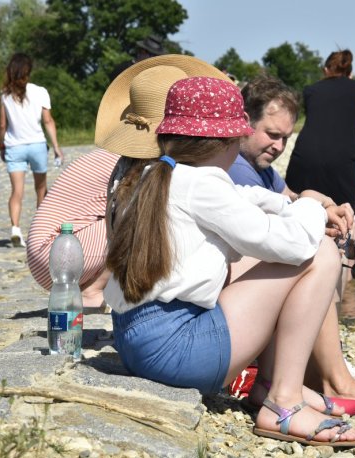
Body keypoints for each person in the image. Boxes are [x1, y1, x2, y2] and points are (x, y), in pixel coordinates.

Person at [102, 73, 355, 446]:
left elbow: (242, 197)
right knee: (317, 254)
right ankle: (283, 402)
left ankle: (269, 386)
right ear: (226, 142)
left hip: (136, 342)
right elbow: (290, 245)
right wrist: (311, 207)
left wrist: (297, 201)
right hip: (178, 352)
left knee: (258, 260)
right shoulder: (200, 185)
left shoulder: (151, 175)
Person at [26, 55, 220, 309]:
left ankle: (96, 285)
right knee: (147, 211)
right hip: (57, 252)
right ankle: (94, 291)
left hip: (54, 252)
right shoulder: (136, 161)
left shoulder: (123, 152)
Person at [228, 74, 355, 385]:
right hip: (233, 304)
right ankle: (331, 375)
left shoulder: (260, 167)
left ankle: (328, 365)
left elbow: (291, 199)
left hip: (244, 296)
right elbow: (279, 228)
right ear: (245, 122)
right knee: (312, 255)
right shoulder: (239, 169)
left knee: (318, 243)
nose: (279, 146)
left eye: (285, 138)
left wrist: (327, 209)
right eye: (271, 134)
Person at [285, 49, 355, 215]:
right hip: (342, 161)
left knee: (298, 212)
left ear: (326, 70)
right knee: (342, 220)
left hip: (305, 158)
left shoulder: (310, 91)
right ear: (350, 73)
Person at [0, 53, 63, 248]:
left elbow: (2, 125)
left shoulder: (5, 94)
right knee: (41, 189)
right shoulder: (40, 91)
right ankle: (40, 232)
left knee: (16, 192)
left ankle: (15, 229)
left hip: (14, 146)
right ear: (29, 71)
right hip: (37, 146)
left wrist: (1, 145)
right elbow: (48, 121)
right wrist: (57, 148)